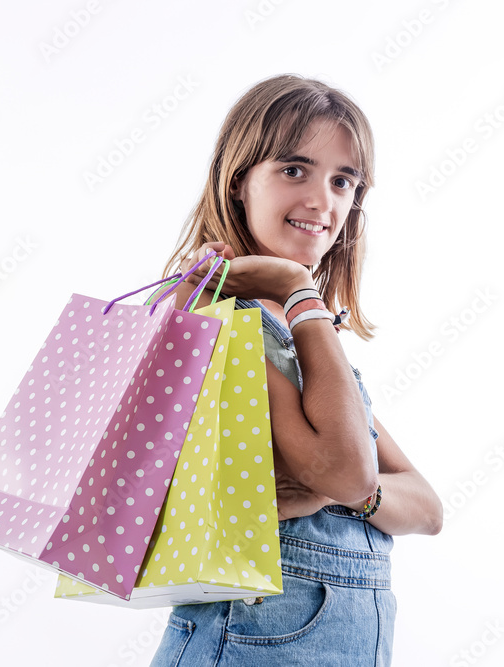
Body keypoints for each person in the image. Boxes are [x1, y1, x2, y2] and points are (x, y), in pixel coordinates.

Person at [148, 74, 443, 666]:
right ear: (238, 183)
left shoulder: (299, 330)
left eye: (343, 181)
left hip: (342, 640)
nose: (322, 201)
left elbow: (428, 508)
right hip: (257, 639)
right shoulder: (216, 315)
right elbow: (348, 472)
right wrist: (298, 289)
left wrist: (340, 493)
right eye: (294, 170)